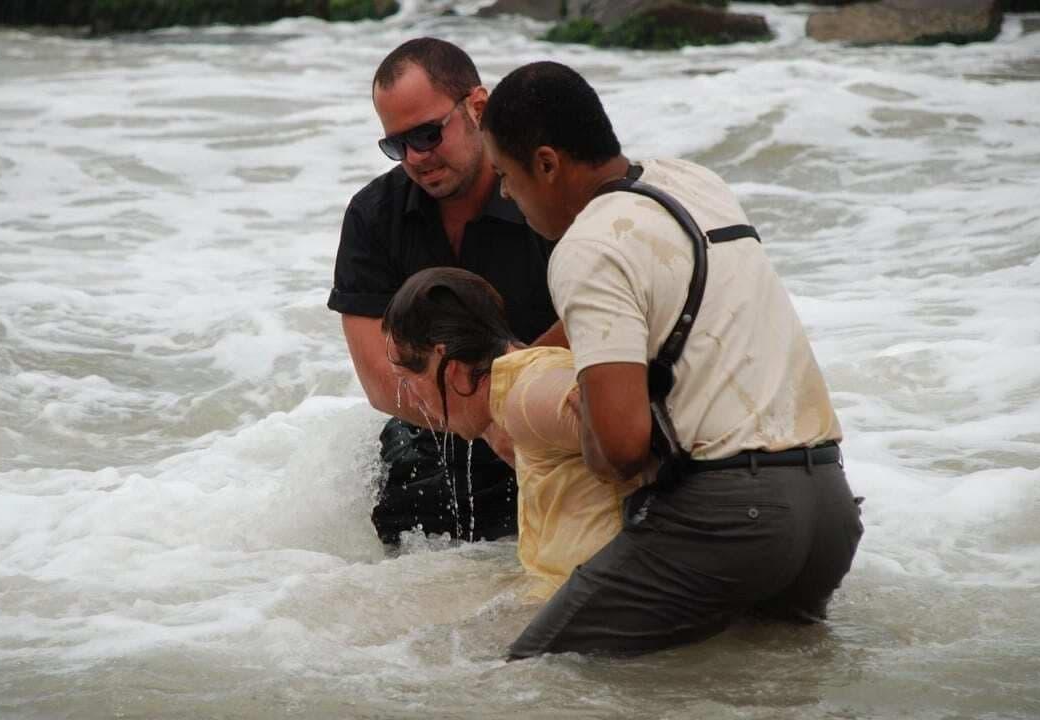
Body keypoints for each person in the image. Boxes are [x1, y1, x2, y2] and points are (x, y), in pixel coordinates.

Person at [480, 61, 864, 658]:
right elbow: (659, 297)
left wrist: (586, 416)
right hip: (829, 511)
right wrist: (536, 355)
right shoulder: (693, 182)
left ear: (548, 164)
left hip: (732, 519)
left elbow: (622, 450)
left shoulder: (585, 246)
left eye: (505, 174)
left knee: (536, 673)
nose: (506, 193)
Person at [328, 38, 563, 545]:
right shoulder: (373, 216)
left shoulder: (545, 191)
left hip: (549, 411)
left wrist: (508, 402)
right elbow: (378, 379)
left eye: (429, 134)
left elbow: (600, 317)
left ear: (478, 107)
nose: (416, 157)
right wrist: (481, 418)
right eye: (397, 144)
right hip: (434, 430)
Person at [382, 267, 643, 600]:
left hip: (601, 615)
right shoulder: (514, 392)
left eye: (407, 381)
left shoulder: (525, 396)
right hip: (579, 601)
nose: (412, 400)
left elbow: (611, 410)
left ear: (449, 366)